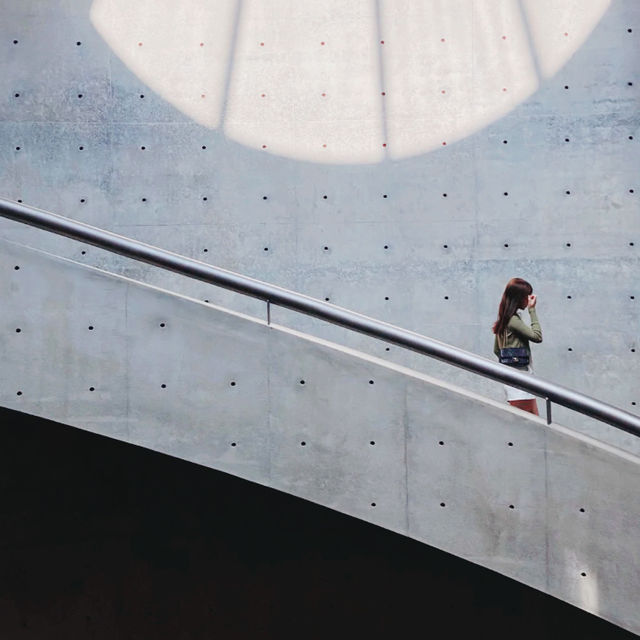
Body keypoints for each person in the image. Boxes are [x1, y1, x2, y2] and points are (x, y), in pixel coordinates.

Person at [492, 278, 543, 415]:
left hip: (515, 380)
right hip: (520, 381)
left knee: (531, 426)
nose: (528, 299)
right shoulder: (513, 320)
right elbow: (537, 337)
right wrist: (532, 310)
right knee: (529, 427)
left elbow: (497, 350)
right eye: (526, 295)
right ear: (518, 298)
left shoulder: (504, 319)